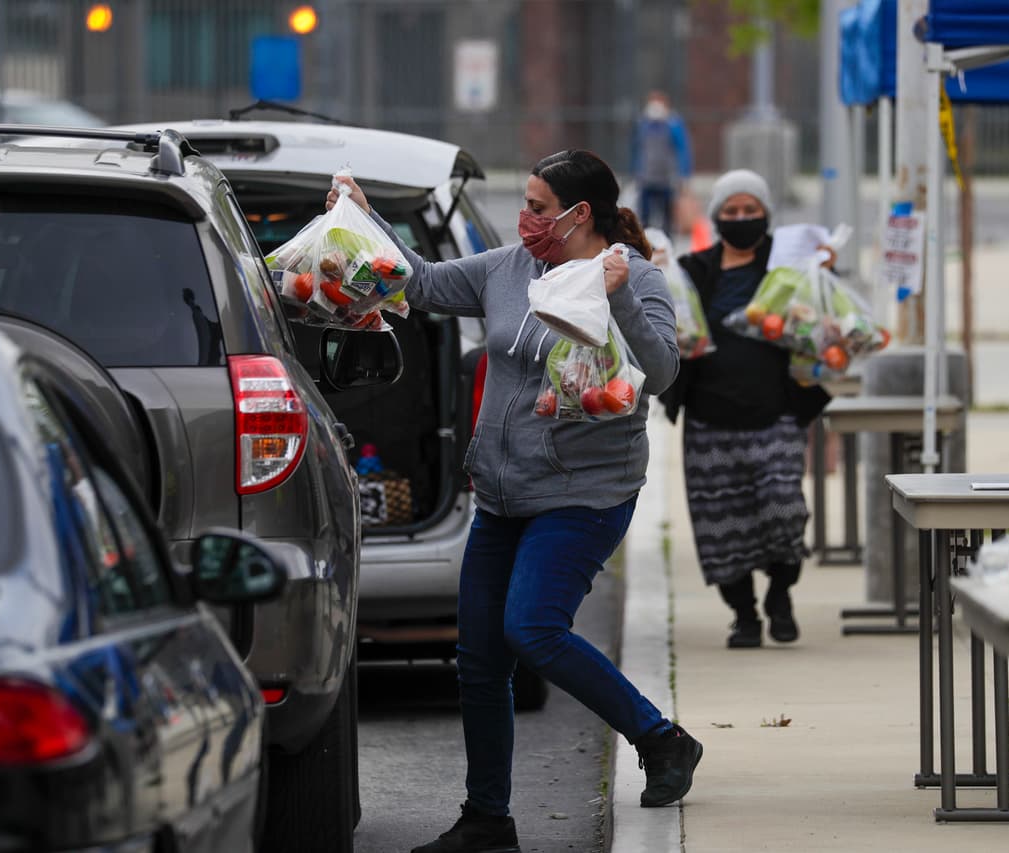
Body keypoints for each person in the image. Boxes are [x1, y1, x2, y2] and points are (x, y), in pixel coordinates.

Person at [327, 149, 700, 853]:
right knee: (478, 659)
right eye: (524, 204)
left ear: (577, 214)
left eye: (535, 206)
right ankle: (489, 819)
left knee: (532, 628)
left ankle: (660, 735)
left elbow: (660, 371)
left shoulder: (633, 275)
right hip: (501, 492)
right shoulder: (507, 269)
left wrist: (617, 295)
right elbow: (425, 283)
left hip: (585, 493)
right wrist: (361, 217)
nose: (523, 218)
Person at [659, 169, 832, 649]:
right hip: (709, 419)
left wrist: (825, 273)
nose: (740, 219)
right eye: (730, 212)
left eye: (749, 211)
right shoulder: (693, 271)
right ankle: (745, 616)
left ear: (766, 215)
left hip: (776, 414)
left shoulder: (789, 267)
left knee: (783, 509)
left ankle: (780, 592)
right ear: (716, 218)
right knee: (721, 526)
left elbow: (823, 320)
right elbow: (664, 316)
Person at [630, 90, 692, 237]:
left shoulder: (674, 124)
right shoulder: (643, 124)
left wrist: (683, 175)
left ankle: (667, 245)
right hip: (646, 179)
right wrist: (635, 172)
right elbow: (636, 149)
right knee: (644, 217)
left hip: (667, 179)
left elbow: (683, 149)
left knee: (667, 219)